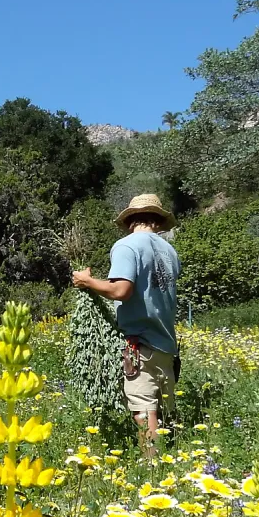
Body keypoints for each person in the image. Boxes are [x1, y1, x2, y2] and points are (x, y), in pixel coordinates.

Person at [71, 194, 180, 457]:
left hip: (142, 343)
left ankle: (154, 470)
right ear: (158, 221)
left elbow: (121, 290)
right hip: (167, 343)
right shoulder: (170, 251)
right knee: (163, 411)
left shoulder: (126, 246)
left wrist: (86, 281)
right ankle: (175, 458)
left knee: (144, 410)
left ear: (130, 221)